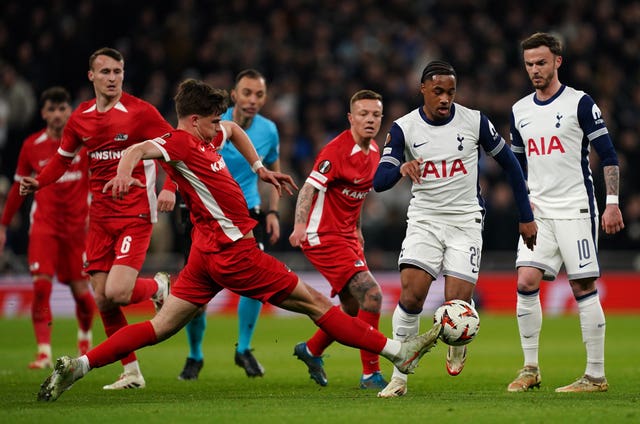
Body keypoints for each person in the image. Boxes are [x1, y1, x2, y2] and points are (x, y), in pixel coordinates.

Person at [36, 78, 443, 402]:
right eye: (212, 119)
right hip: (234, 251)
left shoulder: (208, 136)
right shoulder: (179, 142)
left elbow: (232, 129)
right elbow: (141, 148)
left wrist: (259, 168)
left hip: (205, 253)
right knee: (317, 304)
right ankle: (397, 351)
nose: (220, 126)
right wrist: (125, 169)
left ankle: (80, 366)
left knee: (160, 326)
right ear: (194, 120)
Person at [372, 60, 538, 398]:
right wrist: (402, 166)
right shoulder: (405, 127)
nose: (445, 98)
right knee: (411, 296)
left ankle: (457, 340)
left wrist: (526, 214)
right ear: (422, 90)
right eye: (438, 91)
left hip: (465, 222)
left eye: (450, 91)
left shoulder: (474, 121)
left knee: (457, 305)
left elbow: (511, 165)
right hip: (425, 220)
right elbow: (379, 181)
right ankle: (399, 379)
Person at [20, 47, 176, 390]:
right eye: (105, 72)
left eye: (117, 72)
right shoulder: (81, 118)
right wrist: (39, 182)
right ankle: (132, 372)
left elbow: (174, 147)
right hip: (100, 218)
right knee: (103, 298)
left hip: (135, 212)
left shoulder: (140, 112)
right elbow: (62, 160)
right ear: (91, 76)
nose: (112, 78)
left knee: (119, 292)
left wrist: (171, 188)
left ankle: (158, 286)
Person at [506, 32, 624, 393]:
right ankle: (530, 369)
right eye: (529, 64)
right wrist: (525, 208)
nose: (535, 70)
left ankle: (595, 375)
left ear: (558, 61)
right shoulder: (520, 111)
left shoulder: (581, 103)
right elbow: (519, 166)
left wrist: (612, 203)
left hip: (576, 209)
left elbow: (608, 155)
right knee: (525, 281)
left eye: (541, 62)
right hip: (539, 213)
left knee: (583, 285)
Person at [178, 69, 281, 380]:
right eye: (246, 93)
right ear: (234, 95)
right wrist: (169, 191)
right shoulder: (211, 123)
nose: (252, 100)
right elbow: (176, 154)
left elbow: (273, 167)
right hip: (204, 215)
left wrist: (273, 212)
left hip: (247, 212)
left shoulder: (269, 131)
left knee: (255, 285)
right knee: (196, 295)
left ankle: (244, 348)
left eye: (259, 95)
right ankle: (195, 355)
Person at [289, 89, 387, 389]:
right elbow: (308, 189)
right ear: (351, 118)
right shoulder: (336, 150)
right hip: (322, 235)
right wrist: (299, 225)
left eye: (375, 115)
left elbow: (355, 198)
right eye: (363, 114)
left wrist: (357, 229)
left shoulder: (374, 154)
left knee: (352, 308)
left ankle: (312, 349)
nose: (369, 120)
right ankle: (371, 373)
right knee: (372, 295)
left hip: (346, 236)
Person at [0, 86, 95, 368]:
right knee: (41, 289)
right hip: (44, 227)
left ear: (70, 111)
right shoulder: (31, 145)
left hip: (78, 230)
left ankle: (85, 338)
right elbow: (18, 186)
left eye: (62, 108)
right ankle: (43, 351)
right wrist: (3, 225)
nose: (57, 115)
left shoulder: (84, 144)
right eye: (51, 109)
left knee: (83, 296)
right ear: (43, 113)